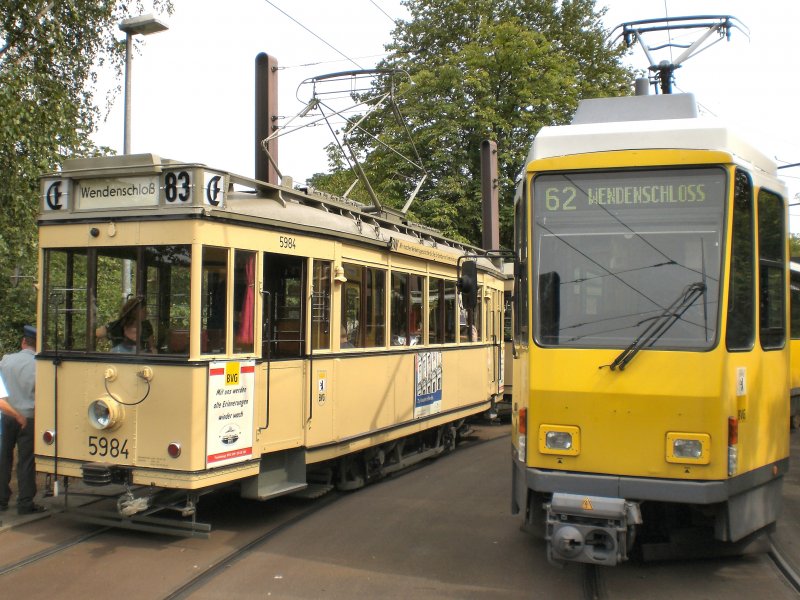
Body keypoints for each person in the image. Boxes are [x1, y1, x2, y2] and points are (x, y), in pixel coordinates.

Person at [0, 325, 44, 515]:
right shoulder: (39, 365)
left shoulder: (6, 360)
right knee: (26, 461)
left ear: (23, 341)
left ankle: (1, 500)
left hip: (6, 415)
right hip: (29, 417)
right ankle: (25, 503)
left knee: (3, 459)